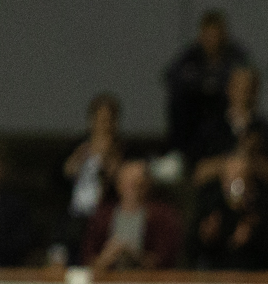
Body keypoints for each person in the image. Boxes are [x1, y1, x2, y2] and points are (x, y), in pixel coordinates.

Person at [164, 9, 249, 163]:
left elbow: (242, 79)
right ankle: (179, 154)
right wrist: (205, 85)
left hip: (224, 107)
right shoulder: (192, 54)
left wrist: (208, 85)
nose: (212, 40)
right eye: (208, 36)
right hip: (198, 109)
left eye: (215, 35)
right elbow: (172, 76)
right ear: (201, 36)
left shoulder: (235, 54)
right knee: (178, 101)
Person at [82, 160, 182, 272]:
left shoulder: (163, 217)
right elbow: (87, 258)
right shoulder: (102, 216)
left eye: (138, 183)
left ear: (148, 184)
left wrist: (134, 256)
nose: (133, 187)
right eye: (128, 182)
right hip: (107, 282)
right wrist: (106, 258)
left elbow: (166, 259)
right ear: (118, 184)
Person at [189, 65, 268, 184]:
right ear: (229, 88)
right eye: (238, 86)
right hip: (217, 196)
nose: (244, 93)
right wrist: (232, 162)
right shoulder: (211, 129)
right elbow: (198, 173)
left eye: (249, 88)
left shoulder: (266, 130)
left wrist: (252, 160)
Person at [188, 152, 268, 271]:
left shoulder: (262, 210)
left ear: (250, 182)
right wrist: (205, 238)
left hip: (253, 277)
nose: (233, 188)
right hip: (214, 277)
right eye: (229, 181)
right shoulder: (211, 208)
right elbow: (191, 251)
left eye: (239, 180)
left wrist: (252, 238)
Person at [63, 93, 123, 259]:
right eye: (100, 119)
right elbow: (65, 173)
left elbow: (121, 181)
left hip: (105, 216)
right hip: (77, 213)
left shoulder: (121, 150)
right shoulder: (80, 147)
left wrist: (108, 159)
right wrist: (78, 159)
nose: (104, 125)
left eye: (108, 120)